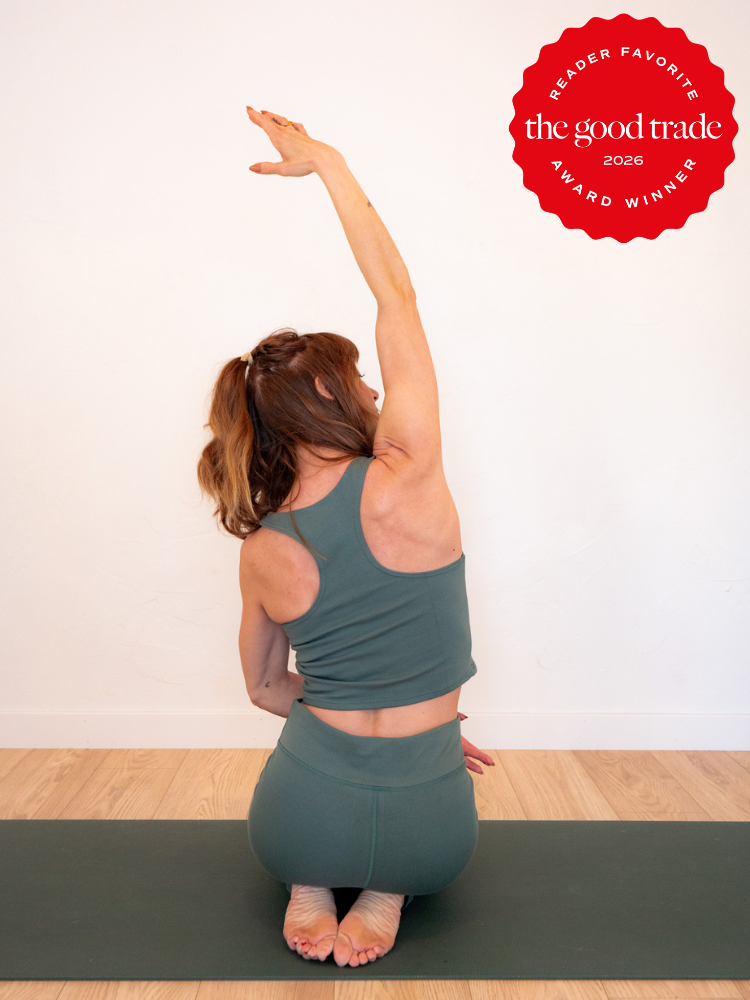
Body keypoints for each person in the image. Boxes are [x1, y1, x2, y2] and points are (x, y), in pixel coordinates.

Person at [197, 106, 494, 969]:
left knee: (312, 826)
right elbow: (394, 294)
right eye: (358, 378)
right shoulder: (410, 472)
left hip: (295, 815)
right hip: (433, 831)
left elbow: (263, 689)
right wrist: (328, 164)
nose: (371, 388)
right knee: (405, 853)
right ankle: (387, 889)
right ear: (329, 396)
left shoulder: (262, 543)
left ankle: (311, 881)